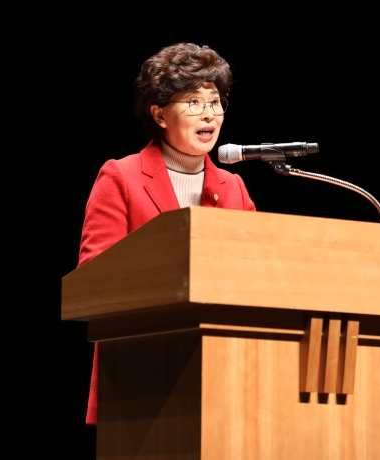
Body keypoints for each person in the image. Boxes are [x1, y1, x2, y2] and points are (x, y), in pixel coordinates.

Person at [77, 43, 256, 425]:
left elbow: (259, 276)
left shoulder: (234, 187)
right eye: (194, 102)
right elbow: (94, 279)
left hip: (227, 372)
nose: (209, 113)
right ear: (159, 114)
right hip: (140, 372)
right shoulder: (121, 177)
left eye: (216, 102)